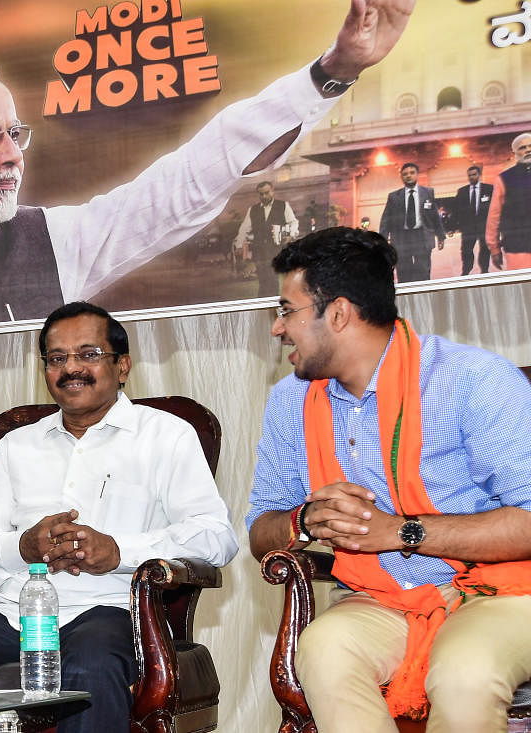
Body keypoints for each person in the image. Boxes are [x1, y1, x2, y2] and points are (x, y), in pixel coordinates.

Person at [0, 0, 415, 331]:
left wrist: (330, 74)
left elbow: (189, 179)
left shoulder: (55, 240)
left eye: (15, 135)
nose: (13, 155)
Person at [0, 301, 238, 732]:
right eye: (57, 358)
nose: (71, 368)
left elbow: (216, 537)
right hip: (12, 615)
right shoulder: (17, 445)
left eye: (88, 354)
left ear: (123, 365)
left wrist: (118, 551)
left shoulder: (165, 436)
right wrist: (24, 546)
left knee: (90, 668)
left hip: (111, 610)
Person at [246, 227, 531, 733]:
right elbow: (260, 530)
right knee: (323, 648)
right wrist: (305, 519)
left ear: (337, 313)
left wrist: (401, 532)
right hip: (382, 598)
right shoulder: (290, 402)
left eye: (286, 311)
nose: (277, 328)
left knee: (465, 673)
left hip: (499, 592)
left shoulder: (473, 381)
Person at [378, 162, 445, 282]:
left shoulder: (427, 192)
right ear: (401, 177)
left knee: (423, 272)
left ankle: (424, 297)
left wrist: (441, 236)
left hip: (422, 237)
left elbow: (434, 215)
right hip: (401, 239)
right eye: (405, 174)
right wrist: (382, 241)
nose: (408, 176)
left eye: (412, 173)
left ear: (417, 175)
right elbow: (386, 219)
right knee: (404, 273)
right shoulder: (394, 197)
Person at [234, 181, 299, 297]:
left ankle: (270, 305)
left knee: (272, 280)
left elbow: (293, 222)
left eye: (266, 193)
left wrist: (291, 234)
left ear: (272, 191)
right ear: (258, 194)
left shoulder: (283, 205)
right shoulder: (252, 209)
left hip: (276, 251)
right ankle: (263, 304)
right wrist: (239, 245)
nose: (264, 196)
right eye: (261, 194)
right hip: (259, 252)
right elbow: (244, 228)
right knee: (263, 280)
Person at [485, 132, 531, 271]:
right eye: (522, 148)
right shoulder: (504, 179)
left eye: (530, 146)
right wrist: (494, 248)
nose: (528, 150)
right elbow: (494, 216)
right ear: (515, 153)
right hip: (519, 248)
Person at [453, 165, 492, 276]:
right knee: (466, 251)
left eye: (474, 174)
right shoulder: (462, 191)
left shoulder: (489, 189)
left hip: (484, 227)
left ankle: (484, 270)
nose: (471, 177)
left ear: (479, 175)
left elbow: (495, 208)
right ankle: (466, 270)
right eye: (469, 175)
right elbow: (456, 210)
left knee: (485, 249)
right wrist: (451, 227)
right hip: (468, 228)